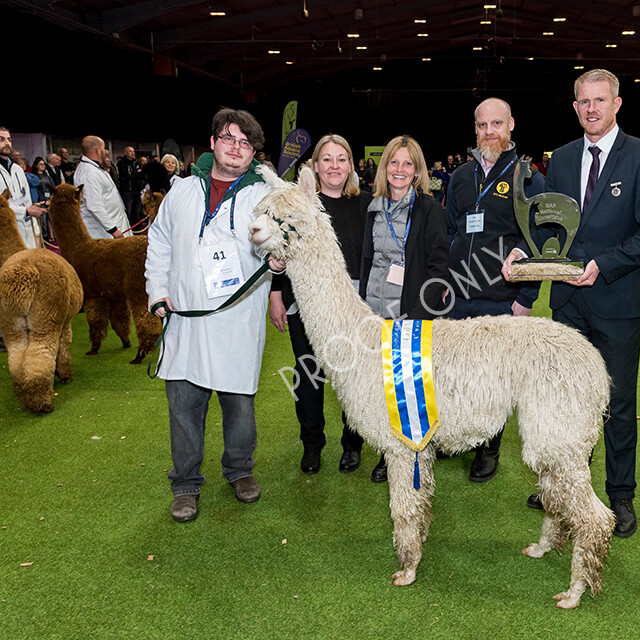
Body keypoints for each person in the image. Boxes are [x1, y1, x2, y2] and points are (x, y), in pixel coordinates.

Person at [503, 69, 640, 538]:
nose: (592, 108)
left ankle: (620, 495)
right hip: (568, 305)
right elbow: (552, 227)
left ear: (617, 104)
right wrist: (526, 251)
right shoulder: (561, 159)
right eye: (584, 101)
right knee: (564, 401)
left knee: (617, 402)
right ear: (575, 107)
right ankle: (561, 487)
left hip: (617, 301)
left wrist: (605, 263)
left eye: (601, 100)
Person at [145, 108, 284, 523]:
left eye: (245, 143)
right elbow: (159, 242)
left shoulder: (262, 195)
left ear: (253, 153)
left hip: (234, 320)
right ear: (213, 143)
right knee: (184, 404)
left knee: (239, 405)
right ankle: (185, 483)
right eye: (228, 138)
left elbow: (272, 243)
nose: (235, 148)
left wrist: (276, 262)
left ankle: (239, 470)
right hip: (185, 319)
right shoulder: (182, 191)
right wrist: (158, 292)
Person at [445, 97, 545, 483]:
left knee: (495, 380)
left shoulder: (529, 177)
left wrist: (526, 297)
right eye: (482, 125)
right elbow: (453, 231)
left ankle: (488, 448)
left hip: (501, 295)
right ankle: (461, 437)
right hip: (457, 293)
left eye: (496, 124)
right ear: (475, 129)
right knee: (458, 373)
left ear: (511, 125)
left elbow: (541, 239)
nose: (489, 132)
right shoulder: (459, 176)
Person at [268, 134, 368, 475]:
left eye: (341, 159)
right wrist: (275, 292)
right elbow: (281, 248)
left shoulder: (365, 203)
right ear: (315, 166)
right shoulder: (299, 205)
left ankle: (352, 444)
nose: (334, 166)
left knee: (354, 373)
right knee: (308, 373)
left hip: (353, 303)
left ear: (350, 166)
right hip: (306, 303)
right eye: (327, 159)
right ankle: (312, 445)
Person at [361, 134, 450, 483]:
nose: (400, 169)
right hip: (373, 311)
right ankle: (388, 451)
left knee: (409, 387)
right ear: (385, 167)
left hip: (411, 312)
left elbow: (439, 265)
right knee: (380, 388)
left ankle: (414, 449)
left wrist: (420, 312)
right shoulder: (372, 207)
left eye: (407, 164)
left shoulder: (428, 209)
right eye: (394, 162)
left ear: (417, 171)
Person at [73, 136, 132, 239]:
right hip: (104, 233)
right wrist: (113, 230)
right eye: (104, 148)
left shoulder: (93, 168)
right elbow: (94, 205)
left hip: (112, 226)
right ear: (98, 151)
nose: (106, 151)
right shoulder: (88, 172)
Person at [0, 126, 44, 248]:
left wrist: (36, 231)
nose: (7, 143)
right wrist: (25, 211)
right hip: (4, 235)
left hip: (25, 229)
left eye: (9, 139)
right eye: (1, 139)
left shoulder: (18, 169)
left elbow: (27, 201)